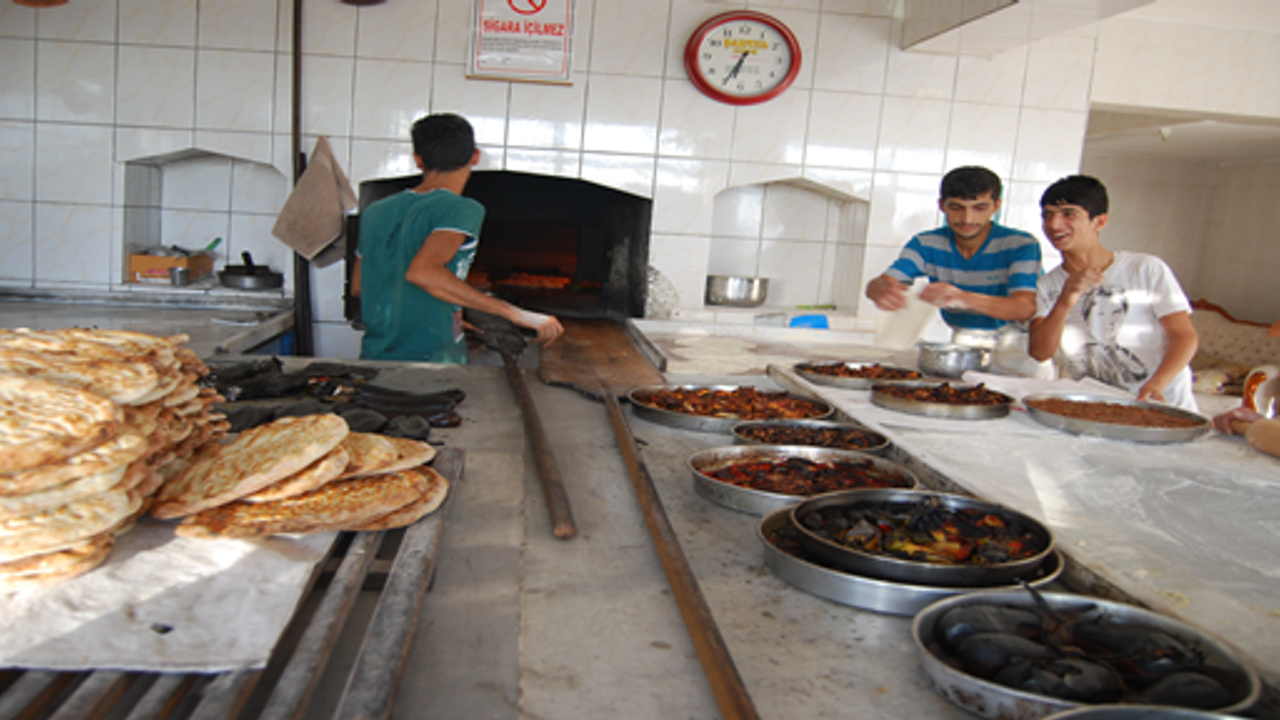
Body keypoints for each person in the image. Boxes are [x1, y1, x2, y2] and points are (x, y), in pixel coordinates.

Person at [353, 113, 563, 363]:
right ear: (475, 156)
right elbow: (423, 273)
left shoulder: (376, 211)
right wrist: (516, 314)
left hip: (374, 357)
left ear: (418, 160)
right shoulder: (461, 208)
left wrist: (442, 315)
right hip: (433, 361)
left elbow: (360, 286)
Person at [1028, 175, 1199, 410]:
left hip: (1159, 404)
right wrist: (1065, 300)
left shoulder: (1145, 268)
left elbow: (1184, 336)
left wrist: (1157, 384)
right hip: (1090, 406)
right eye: (1047, 215)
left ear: (1099, 222)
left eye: (1069, 214)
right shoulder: (1047, 284)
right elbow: (1039, 352)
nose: (1054, 224)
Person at [864, 166, 1042, 335]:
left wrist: (963, 298)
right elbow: (881, 283)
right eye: (956, 208)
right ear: (942, 206)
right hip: (962, 337)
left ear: (996, 206)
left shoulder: (1021, 245)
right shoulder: (926, 244)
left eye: (979, 208)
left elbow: (1025, 308)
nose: (967, 219)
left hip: (1018, 342)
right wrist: (880, 291)